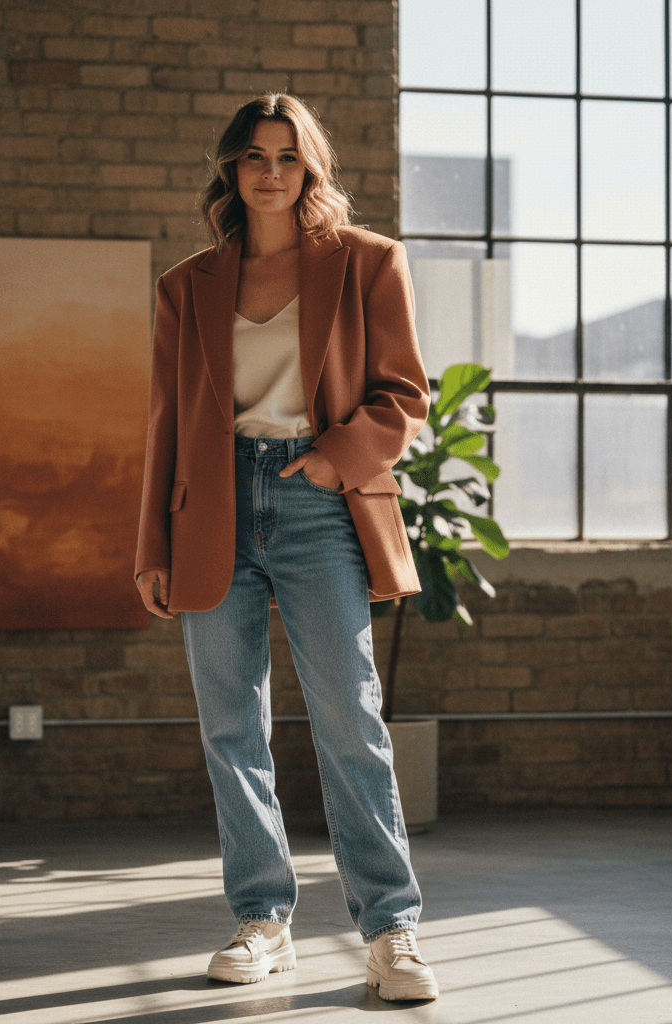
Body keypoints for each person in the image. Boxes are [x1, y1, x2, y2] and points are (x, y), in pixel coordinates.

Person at [134, 94, 437, 1002]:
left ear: (311, 168)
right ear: (231, 169)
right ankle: (262, 920)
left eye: (288, 157)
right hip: (211, 506)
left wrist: (335, 460)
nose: (270, 173)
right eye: (254, 156)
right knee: (231, 727)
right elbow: (164, 424)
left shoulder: (368, 261)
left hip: (320, 502)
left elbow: (403, 393)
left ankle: (391, 932)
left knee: (351, 720)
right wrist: (151, 544)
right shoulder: (187, 285)